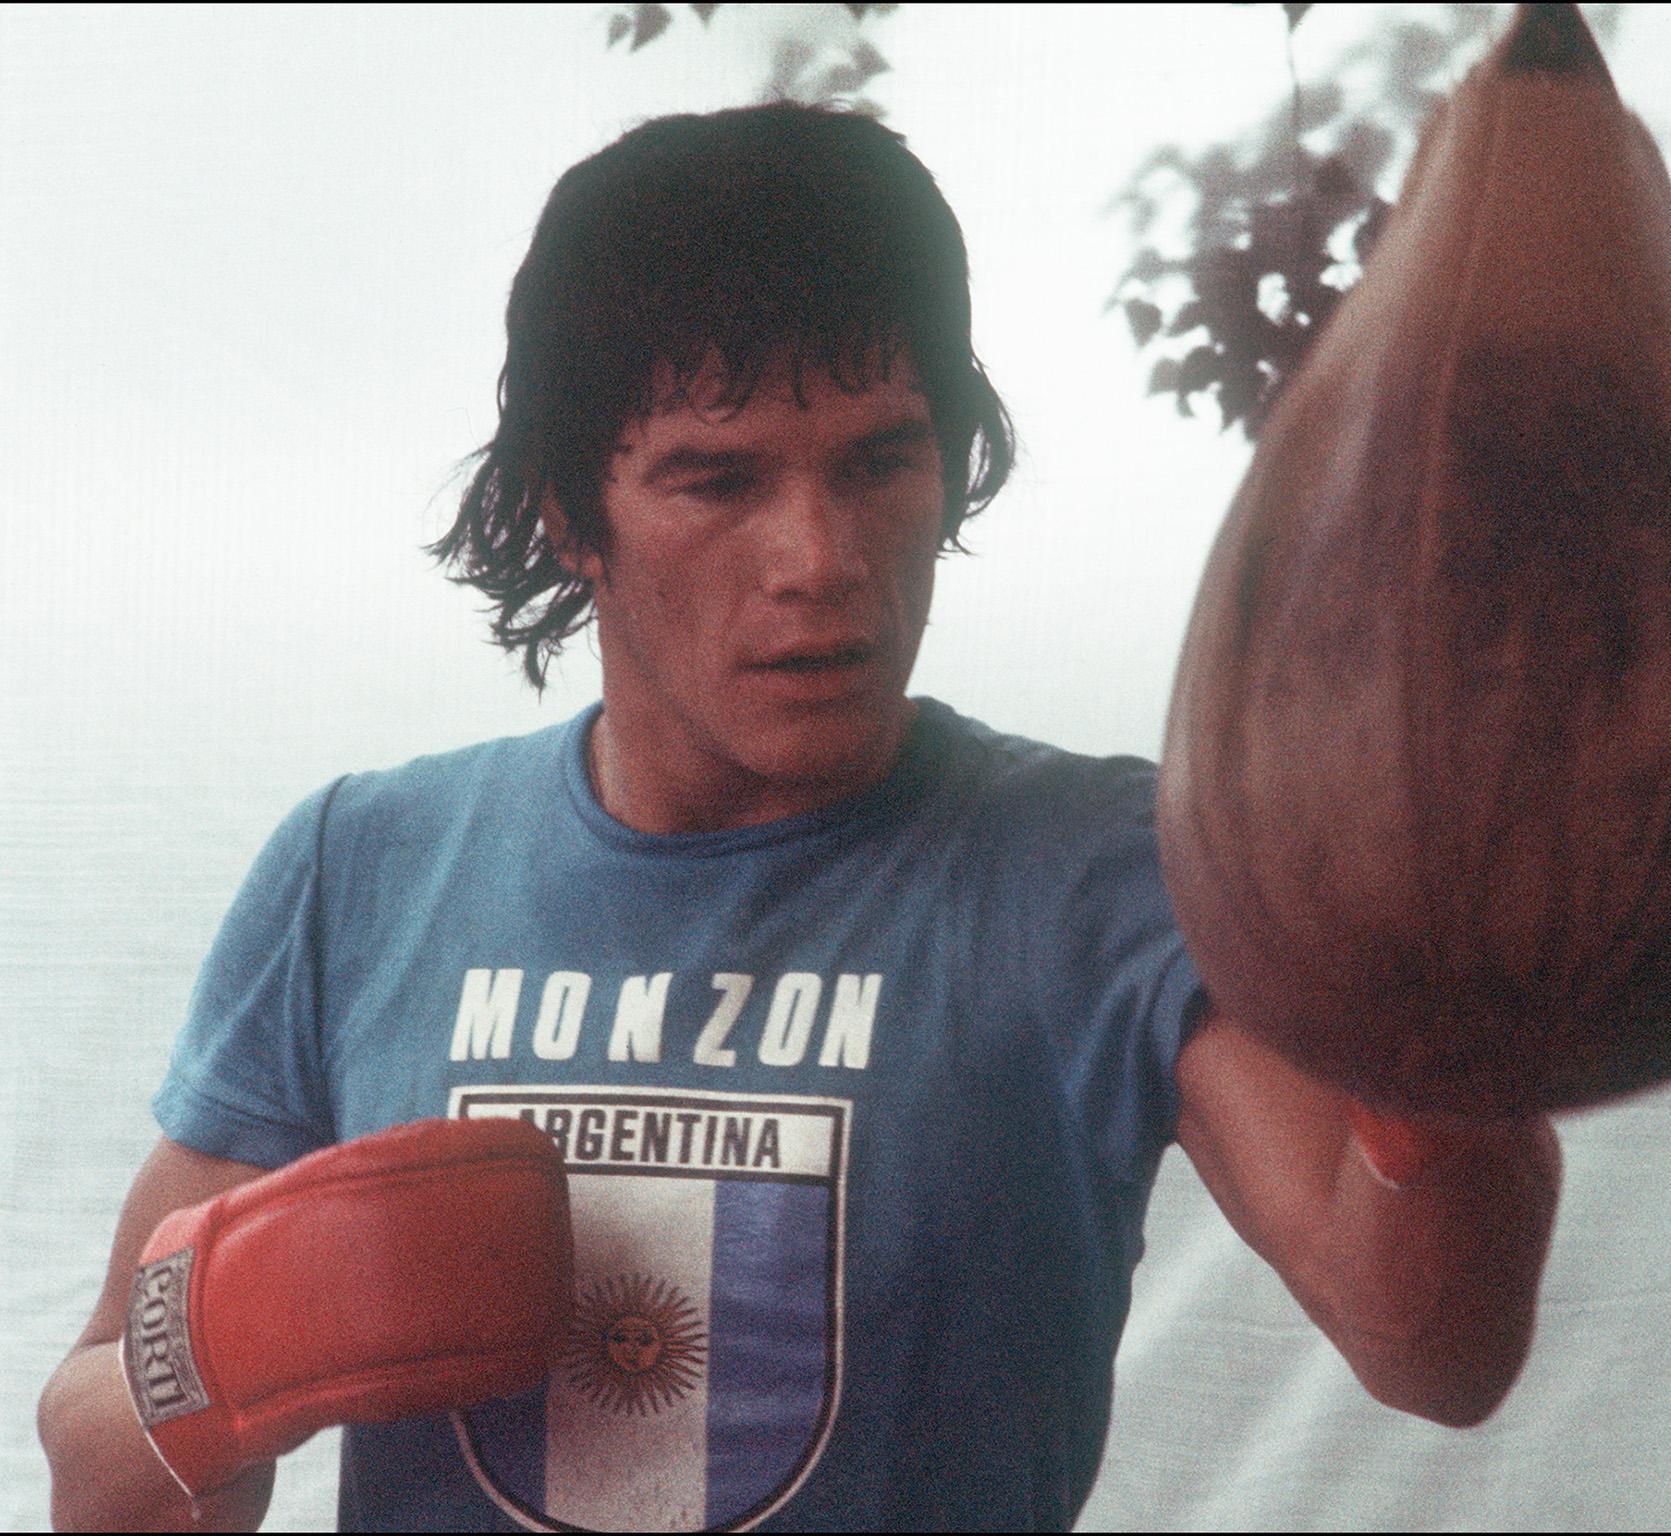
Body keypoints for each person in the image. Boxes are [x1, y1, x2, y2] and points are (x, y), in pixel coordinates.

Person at [38, 103, 1561, 1533]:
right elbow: (97, 1464)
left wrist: (1447, 1039)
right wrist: (227, 1355)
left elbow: (1433, 1350)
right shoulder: (362, 870)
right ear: (570, 515)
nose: (820, 557)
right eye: (716, 480)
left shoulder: (1114, 871)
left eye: (881, 460)